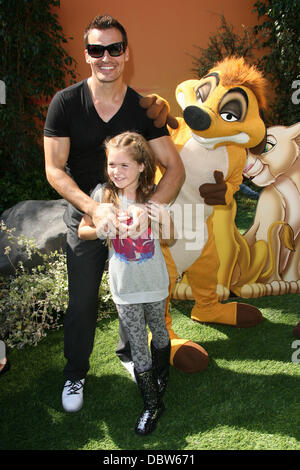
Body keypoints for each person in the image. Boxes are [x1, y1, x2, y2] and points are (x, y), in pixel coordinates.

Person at [43, 14, 185, 413]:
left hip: (132, 216)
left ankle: (129, 353)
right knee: (83, 300)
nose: (106, 56)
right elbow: (54, 168)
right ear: (86, 54)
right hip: (87, 215)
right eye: (96, 49)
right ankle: (75, 373)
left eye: (114, 48)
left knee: (136, 291)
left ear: (126, 53)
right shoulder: (66, 103)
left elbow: (174, 168)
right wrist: (93, 209)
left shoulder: (142, 108)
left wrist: (149, 209)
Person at [78, 131, 174, 435]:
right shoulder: (101, 195)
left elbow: (169, 238)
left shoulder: (154, 195)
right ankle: (152, 405)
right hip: (124, 286)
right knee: (136, 342)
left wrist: (163, 218)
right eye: (111, 165)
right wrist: (101, 227)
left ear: (142, 166)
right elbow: (83, 231)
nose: (116, 172)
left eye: (124, 166)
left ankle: (162, 379)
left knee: (159, 331)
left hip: (154, 281)